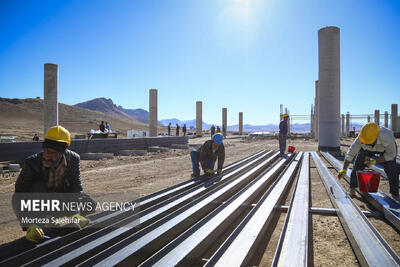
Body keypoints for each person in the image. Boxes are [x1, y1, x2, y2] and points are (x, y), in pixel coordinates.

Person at [12, 126, 94, 243]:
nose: (46, 155)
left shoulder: (73, 159)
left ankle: (59, 218)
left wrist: (75, 214)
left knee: (90, 203)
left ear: (62, 152)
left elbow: (76, 187)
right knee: (38, 187)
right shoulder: (32, 163)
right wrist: (28, 224)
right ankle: (42, 222)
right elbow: (18, 195)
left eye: (51, 152)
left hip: (59, 199)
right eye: (45, 150)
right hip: (39, 202)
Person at [338, 122, 399, 199]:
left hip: (384, 149)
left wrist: (375, 161)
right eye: (365, 142)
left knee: (391, 168)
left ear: (376, 137)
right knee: (358, 165)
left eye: (368, 142)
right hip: (366, 150)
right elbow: (351, 153)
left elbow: (391, 155)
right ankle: (352, 187)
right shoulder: (361, 138)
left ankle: (395, 193)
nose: (366, 143)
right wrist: (344, 169)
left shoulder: (387, 137)